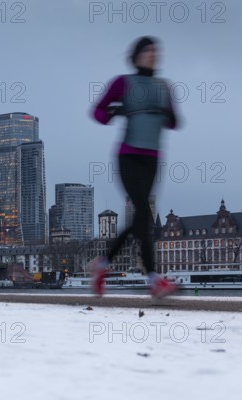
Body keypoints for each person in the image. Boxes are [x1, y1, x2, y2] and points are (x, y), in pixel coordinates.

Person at [91, 36, 179, 299]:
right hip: (128, 155)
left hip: (152, 157)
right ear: (137, 55)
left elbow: (174, 122)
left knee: (143, 218)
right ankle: (153, 279)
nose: (153, 55)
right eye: (148, 51)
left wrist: (171, 116)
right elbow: (97, 111)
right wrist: (114, 112)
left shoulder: (164, 87)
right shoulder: (123, 83)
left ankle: (103, 264)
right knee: (142, 211)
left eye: (156, 51)